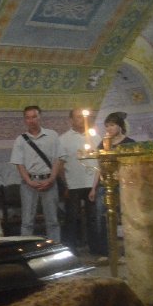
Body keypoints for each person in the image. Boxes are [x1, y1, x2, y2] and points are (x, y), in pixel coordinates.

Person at [10, 105, 66, 242]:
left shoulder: (52, 135)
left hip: (49, 181)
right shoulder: (20, 140)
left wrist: (52, 179)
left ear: (40, 117)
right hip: (29, 183)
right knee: (27, 221)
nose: (31, 120)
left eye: (34, 117)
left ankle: (54, 247)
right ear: (25, 120)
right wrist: (29, 181)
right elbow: (19, 163)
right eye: (28, 118)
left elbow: (59, 159)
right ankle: (26, 248)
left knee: (52, 220)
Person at [90, 112, 136, 259]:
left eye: (112, 125)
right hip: (105, 184)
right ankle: (107, 252)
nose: (109, 128)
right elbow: (99, 167)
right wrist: (93, 188)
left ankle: (129, 251)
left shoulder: (129, 143)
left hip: (124, 184)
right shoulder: (103, 144)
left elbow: (133, 167)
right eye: (107, 126)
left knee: (126, 216)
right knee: (102, 217)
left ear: (120, 126)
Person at [58, 109, 99, 255]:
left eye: (83, 117)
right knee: (72, 217)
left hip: (92, 183)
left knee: (93, 217)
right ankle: (71, 249)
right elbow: (60, 165)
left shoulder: (95, 136)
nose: (82, 119)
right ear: (71, 120)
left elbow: (100, 161)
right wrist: (65, 184)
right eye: (78, 117)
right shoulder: (63, 139)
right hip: (73, 184)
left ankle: (96, 248)